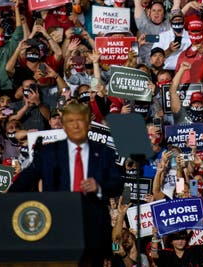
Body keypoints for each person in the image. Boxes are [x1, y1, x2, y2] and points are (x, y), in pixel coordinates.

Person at [10, 102, 122, 264]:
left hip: (93, 231)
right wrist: (4, 199)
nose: (76, 125)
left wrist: (99, 187)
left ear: (88, 124)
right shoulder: (48, 153)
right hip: (59, 226)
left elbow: (117, 184)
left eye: (80, 120)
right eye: (71, 121)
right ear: (63, 125)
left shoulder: (104, 153)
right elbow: (27, 179)